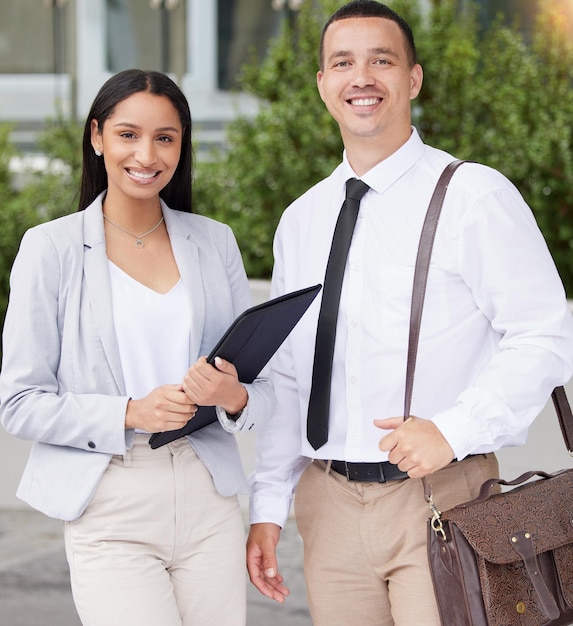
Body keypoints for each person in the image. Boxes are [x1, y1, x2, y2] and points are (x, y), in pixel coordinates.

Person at [246, 2, 573, 625]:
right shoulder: (302, 220)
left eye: (381, 60)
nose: (360, 77)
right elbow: (292, 377)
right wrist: (269, 503)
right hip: (329, 504)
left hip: (447, 498)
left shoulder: (474, 194)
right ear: (322, 84)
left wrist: (453, 427)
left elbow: (543, 335)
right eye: (342, 62)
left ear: (413, 79)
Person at [0, 69, 275, 626]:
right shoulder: (49, 249)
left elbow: (262, 390)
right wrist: (131, 412)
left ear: (181, 146)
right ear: (97, 137)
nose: (146, 154)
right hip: (110, 496)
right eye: (128, 134)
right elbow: (18, 401)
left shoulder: (213, 240)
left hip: (208, 496)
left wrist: (233, 395)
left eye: (165, 138)